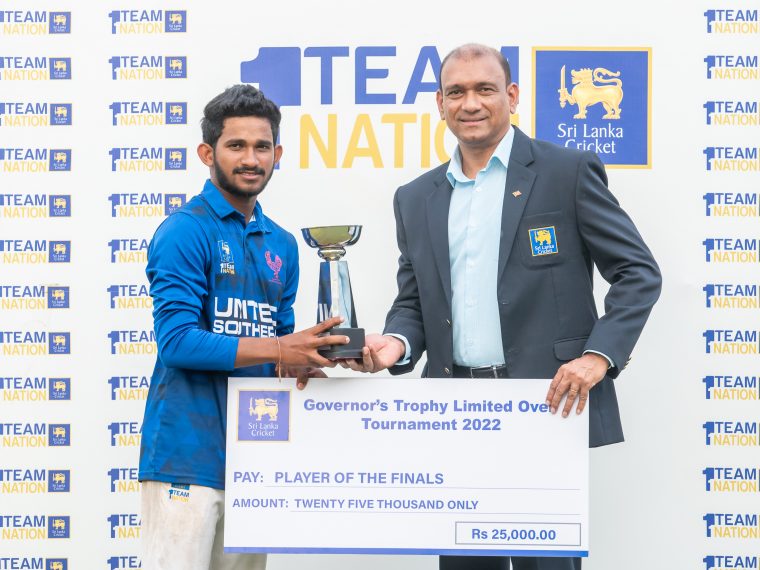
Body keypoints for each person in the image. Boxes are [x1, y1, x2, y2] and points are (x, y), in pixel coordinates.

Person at [344, 44, 662, 570]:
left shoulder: (566, 172)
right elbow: (415, 301)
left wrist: (598, 357)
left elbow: (638, 272)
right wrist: (394, 344)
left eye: (484, 89)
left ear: (511, 96)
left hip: (546, 407)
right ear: (440, 104)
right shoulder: (415, 197)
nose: (470, 103)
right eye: (456, 92)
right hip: (454, 416)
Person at [139, 85, 348, 570]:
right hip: (186, 457)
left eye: (261, 147)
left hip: (256, 460)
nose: (251, 159)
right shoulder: (185, 230)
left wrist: (306, 361)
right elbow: (177, 343)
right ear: (207, 153)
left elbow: (280, 346)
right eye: (236, 146)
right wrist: (280, 349)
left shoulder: (283, 244)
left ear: (277, 155)